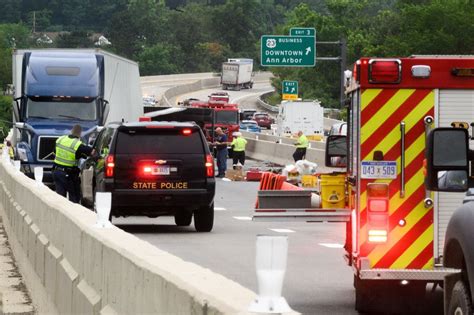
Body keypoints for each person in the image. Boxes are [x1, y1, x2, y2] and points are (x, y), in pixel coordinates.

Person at [52, 124, 95, 203]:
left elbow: (55, 152)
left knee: (60, 199)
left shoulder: (60, 139)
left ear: (71, 131)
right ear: (80, 134)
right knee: (74, 199)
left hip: (57, 173)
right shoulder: (77, 145)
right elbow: (92, 152)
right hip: (68, 175)